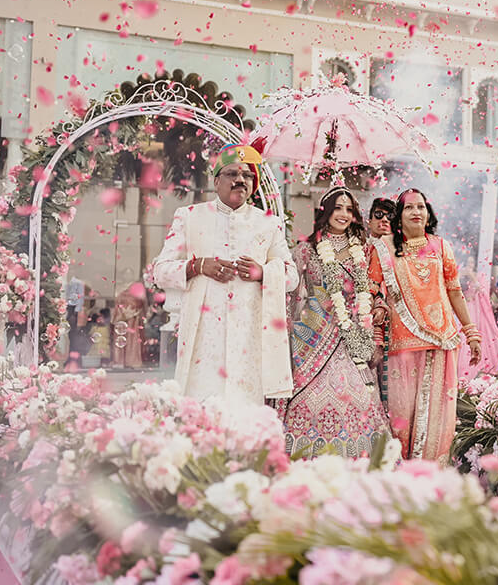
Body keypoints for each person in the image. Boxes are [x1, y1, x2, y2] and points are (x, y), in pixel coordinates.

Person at [150, 144, 298, 405]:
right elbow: (160, 271)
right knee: (202, 414)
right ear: (216, 181)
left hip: (249, 338)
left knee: (244, 416)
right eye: (232, 174)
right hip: (203, 338)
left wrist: (262, 272)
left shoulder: (269, 223)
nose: (241, 180)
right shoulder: (189, 217)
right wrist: (197, 266)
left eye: (248, 176)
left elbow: (291, 277)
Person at [368, 190, 481, 462]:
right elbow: (369, 292)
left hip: (442, 342)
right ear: (399, 214)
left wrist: (471, 332)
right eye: (409, 208)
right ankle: (400, 482)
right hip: (402, 344)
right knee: (401, 417)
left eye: (421, 207)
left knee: (439, 420)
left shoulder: (441, 247)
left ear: (428, 213)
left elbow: (455, 292)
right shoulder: (382, 249)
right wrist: (376, 314)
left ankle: (430, 480)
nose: (416, 212)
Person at [280, 185, 390, 457]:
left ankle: (358, 466)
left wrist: (378, 305)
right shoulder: (307, 250)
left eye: (349, 209)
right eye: (338, 207)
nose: (343, 214)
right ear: (325, 211)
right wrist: (285, 334)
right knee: (306, 399)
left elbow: (376, 288)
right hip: (313, 337)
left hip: (353, 339)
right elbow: (291, 296)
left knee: (360, 400)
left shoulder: (364, 250)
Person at [366, 197, 396, 406]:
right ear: (369, 220)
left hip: (396, 323)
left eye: (390, 216)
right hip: (367, 319)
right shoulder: (359, 246)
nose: (384, 219)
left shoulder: (400, 250)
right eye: (379, 214)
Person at [111, 286, 145, 369]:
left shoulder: (124, 296)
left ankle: (122, 360)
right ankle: (126, 360)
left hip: (128, 322)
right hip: (128, 322)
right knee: (127, 339)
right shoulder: (124, 296)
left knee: (127, 339)